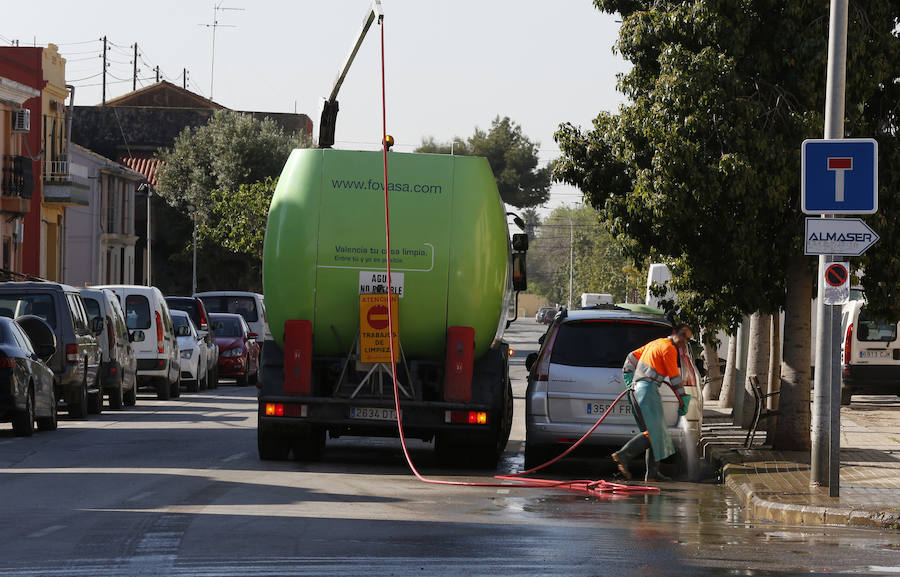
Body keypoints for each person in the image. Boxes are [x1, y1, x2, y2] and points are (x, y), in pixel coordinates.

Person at [612, 323, 693, 482]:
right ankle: (623, 455)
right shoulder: (669, 348)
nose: (685, 340)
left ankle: (652, 475)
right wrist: (682, 397)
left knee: (652, 433)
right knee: (655, 432)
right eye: (683, 335)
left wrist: (630, 379)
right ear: (674, 332)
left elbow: (631, 357)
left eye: (688, 338)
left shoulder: (655, 343)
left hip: (638, 390)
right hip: (647, 391)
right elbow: (675, 378)